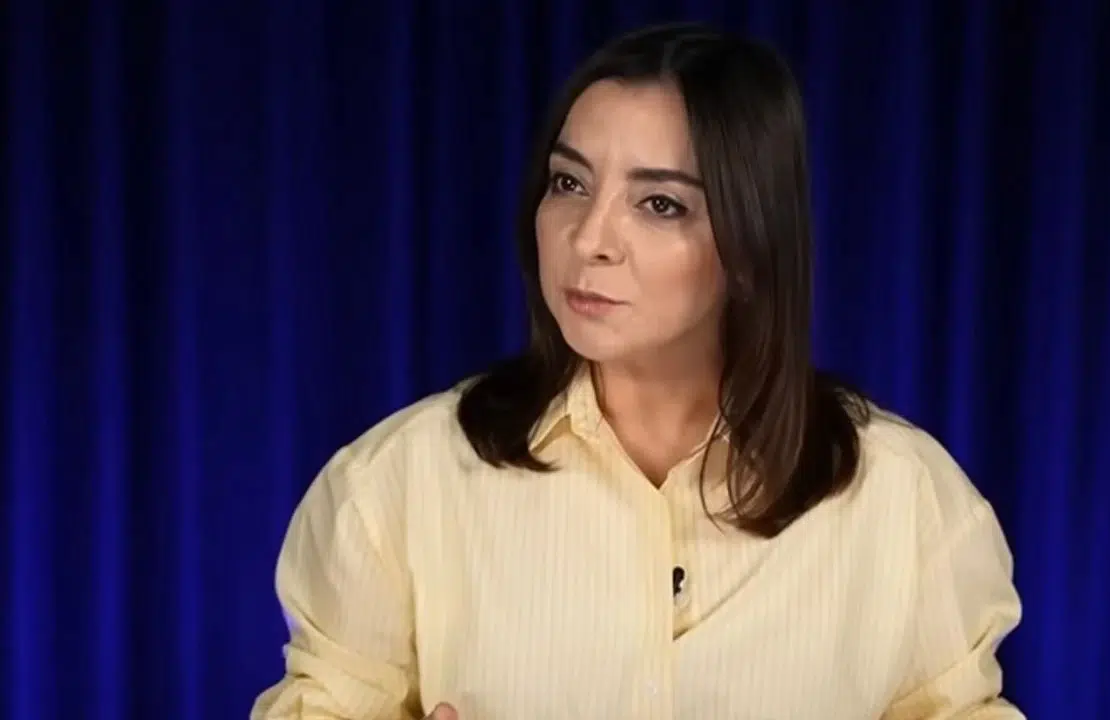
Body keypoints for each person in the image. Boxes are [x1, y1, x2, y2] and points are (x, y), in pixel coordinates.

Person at [250, 22, 1023, 720]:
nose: (590, 238)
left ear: (751, 242)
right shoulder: (398, 486)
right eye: (569, 183)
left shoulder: (903, 501)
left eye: (659, 204)